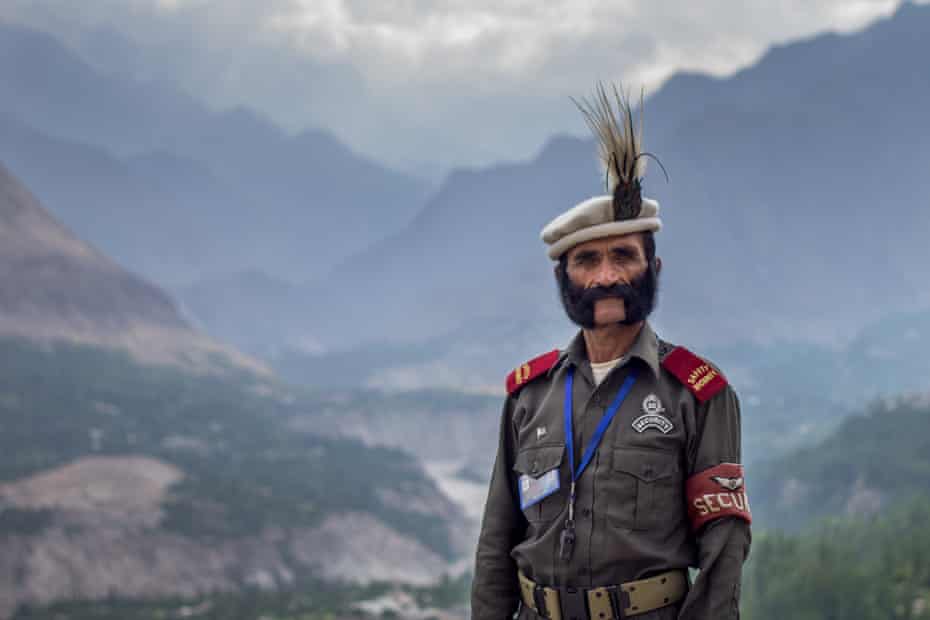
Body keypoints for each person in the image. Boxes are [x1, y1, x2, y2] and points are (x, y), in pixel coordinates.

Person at [470, 84, 751, 620]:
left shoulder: (697, 394)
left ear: (654, 269)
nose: (606, 276)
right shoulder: (530, 396)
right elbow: (497, 538)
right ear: (563, 278)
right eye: (587, 261)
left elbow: (724, 548)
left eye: (623, 255)